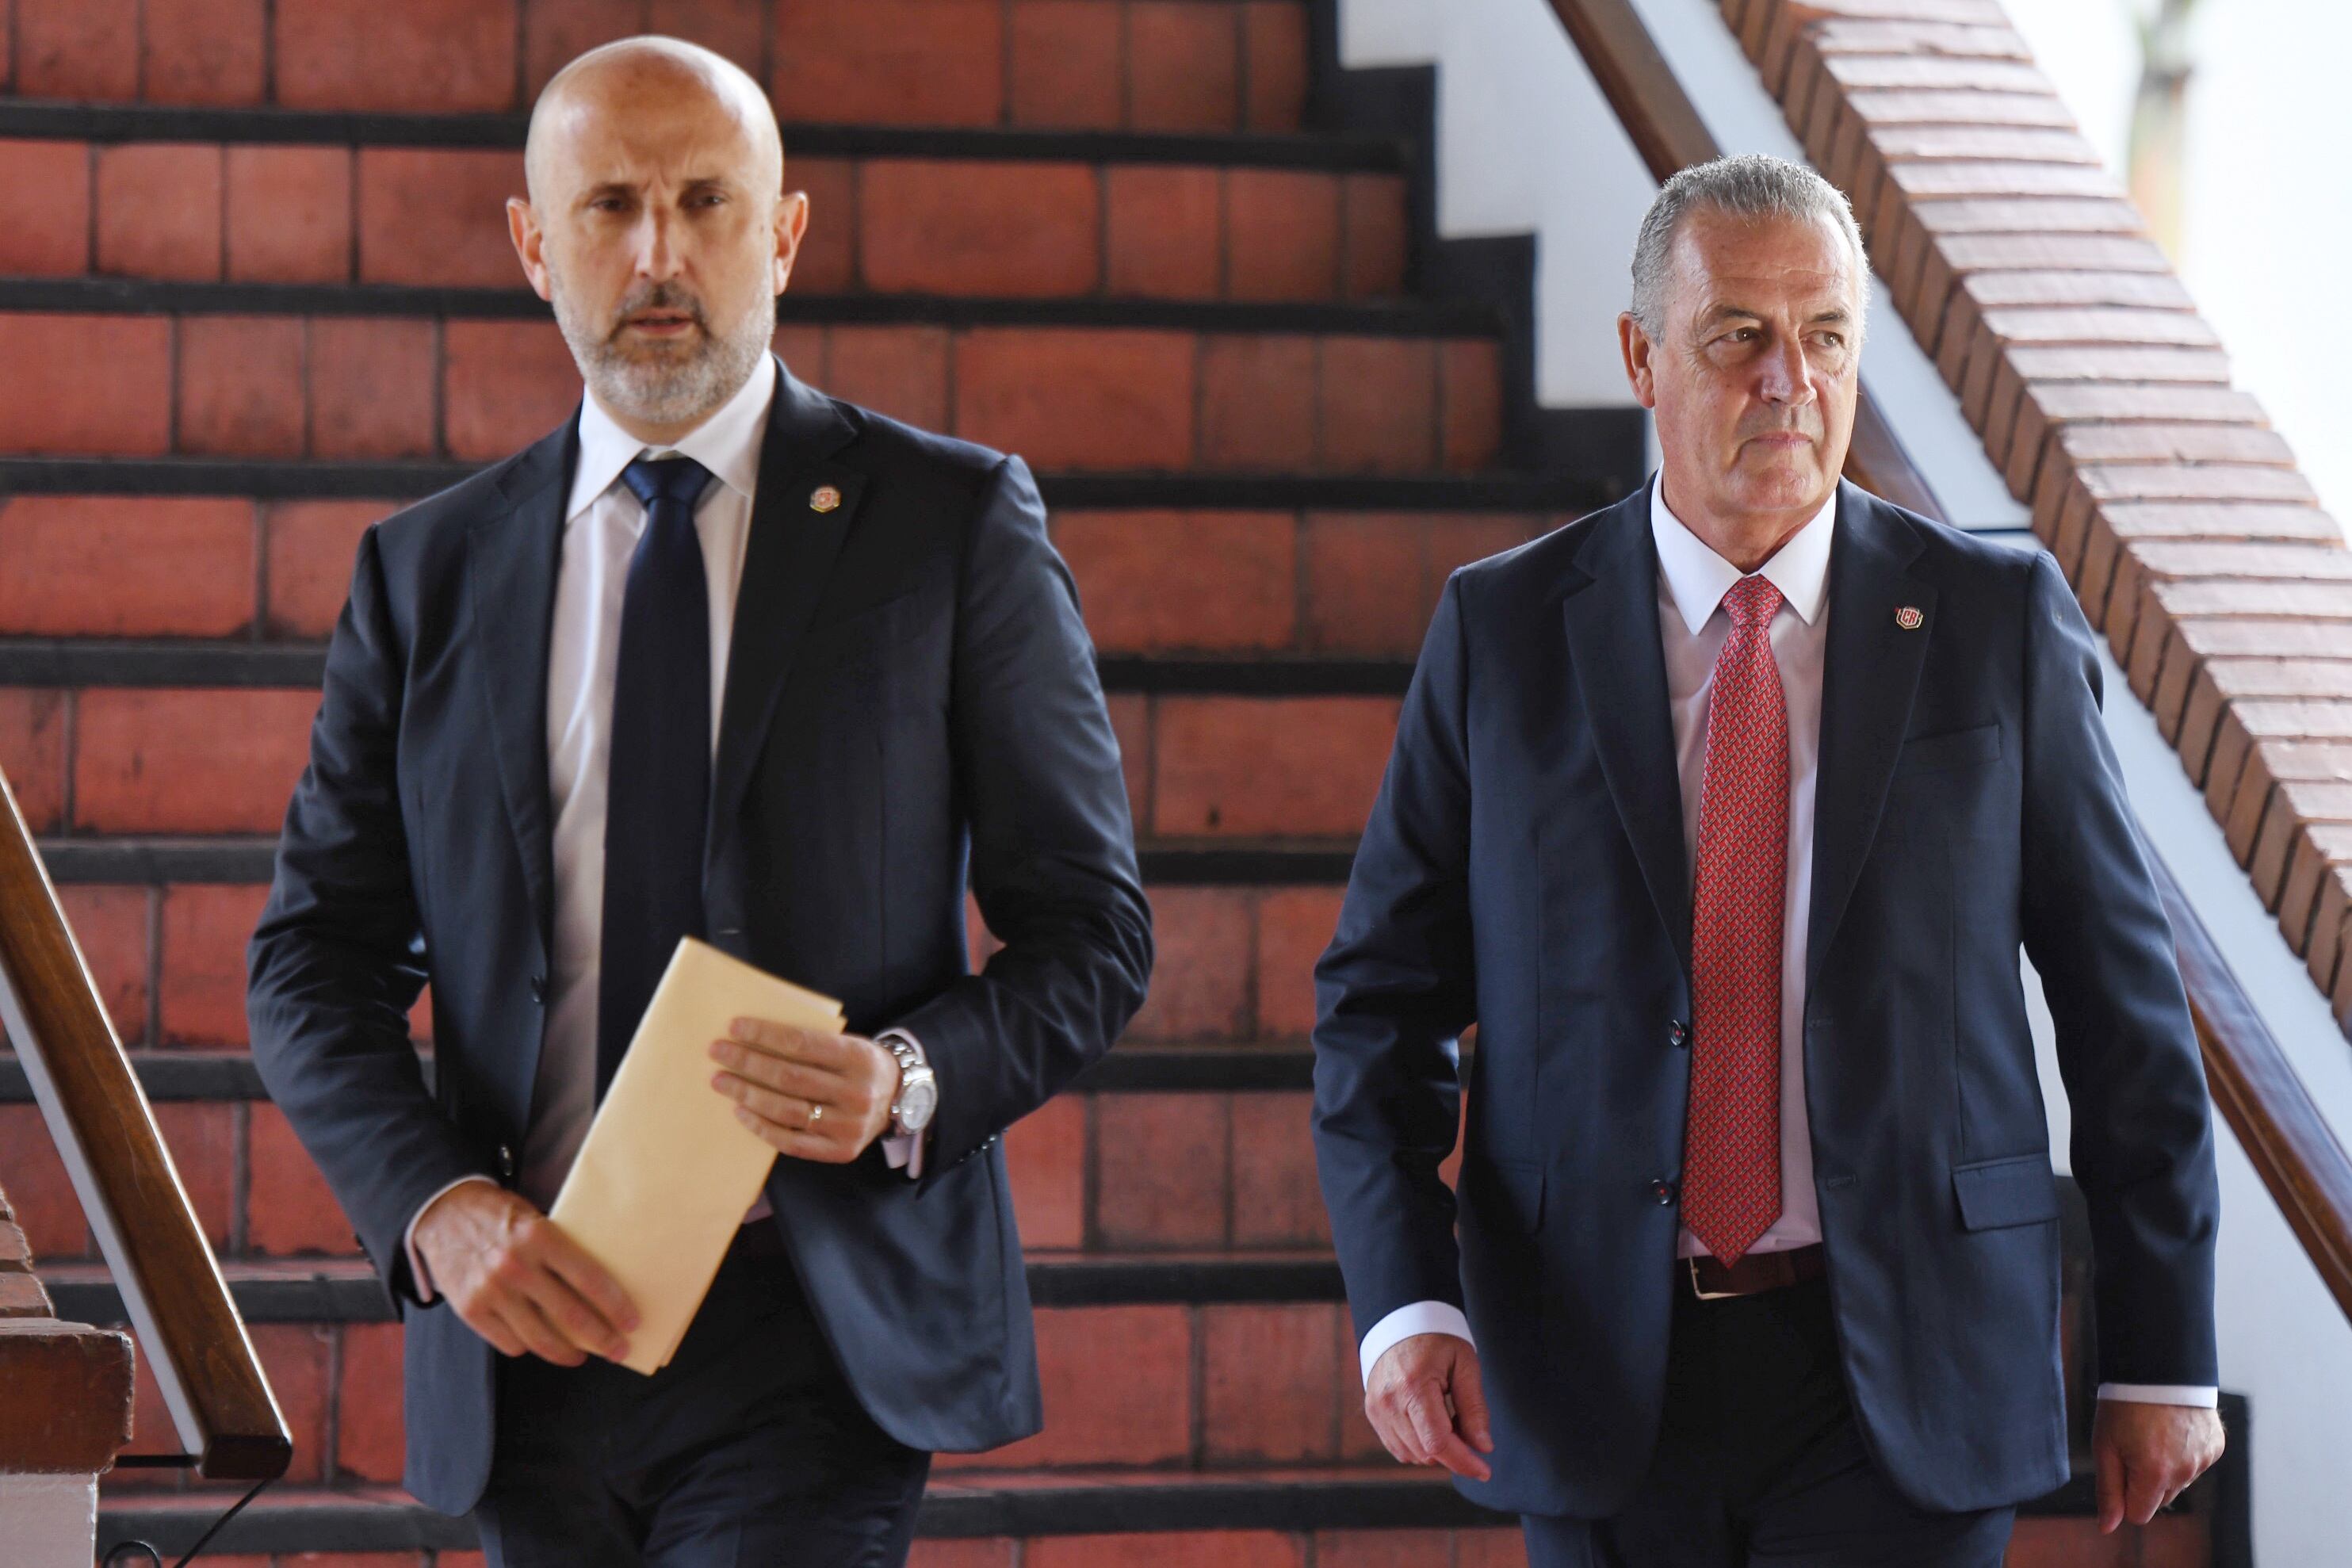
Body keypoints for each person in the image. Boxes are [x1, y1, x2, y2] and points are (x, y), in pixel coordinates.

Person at [247, 36, 1150, 1567]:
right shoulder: (426, 572)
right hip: (523, 1330)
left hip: (817, 1326)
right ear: (535, 247)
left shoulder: (949, 525)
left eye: (704, 201)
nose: (657, 253)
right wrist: (435, 1202)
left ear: (782, 233)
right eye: (606, 206)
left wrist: (908, 1078)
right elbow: (311, 957)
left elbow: (1093, 934)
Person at [1310, 153, 2224, 1567]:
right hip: (1594, 1358)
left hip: (1909, 1361)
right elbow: (1379, 1006)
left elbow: (2126, 1010)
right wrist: (1407, 1301)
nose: (1787, 379)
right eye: (1737, 334)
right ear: (1643, 356)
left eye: (1825, 335)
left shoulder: (1992, 621)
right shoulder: (1503, 634)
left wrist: (2158, 1352)